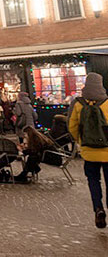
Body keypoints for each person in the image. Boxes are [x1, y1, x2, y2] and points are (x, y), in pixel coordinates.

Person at [69, 72, 108, 228]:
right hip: (107, 152)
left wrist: (81, 141)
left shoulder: (78, 104)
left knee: (93, 181)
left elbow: (71, 126)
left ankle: (98, 208)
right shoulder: (107, 103)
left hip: (89, 152)